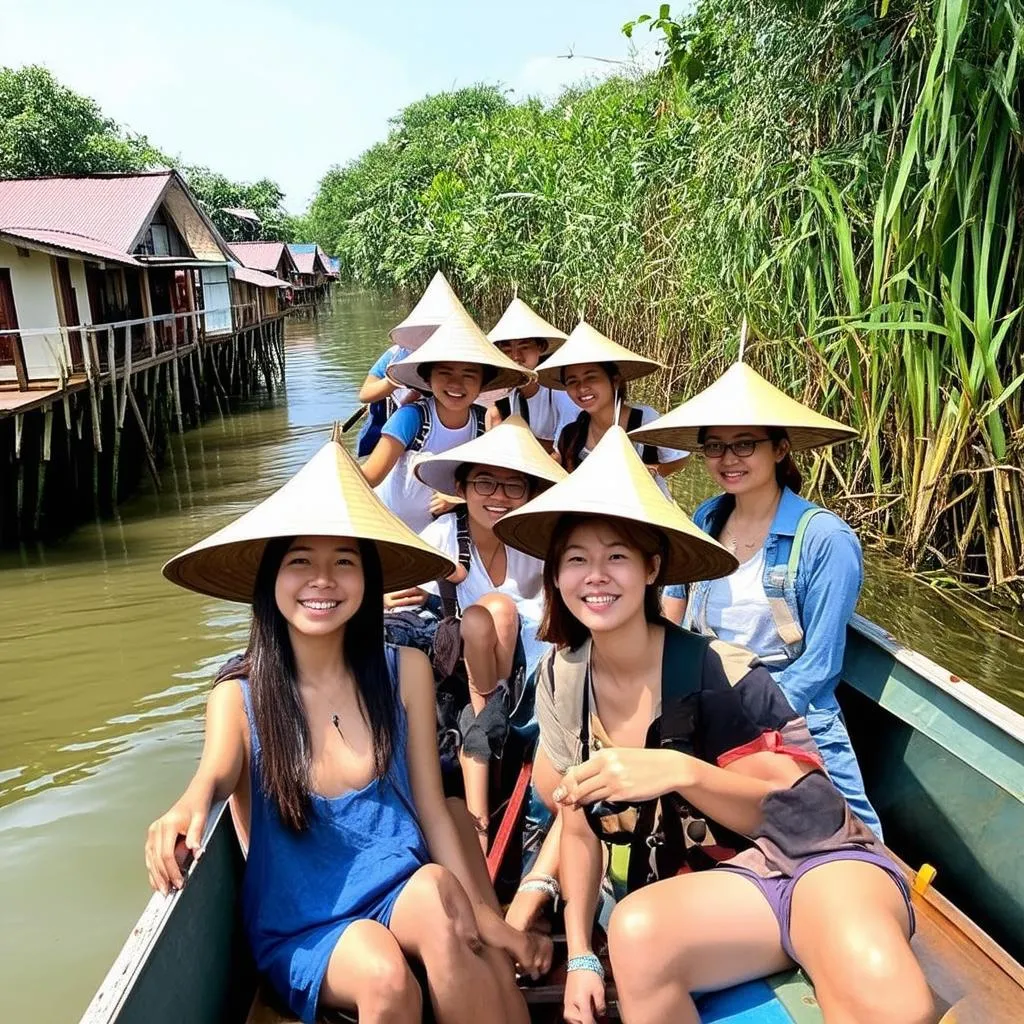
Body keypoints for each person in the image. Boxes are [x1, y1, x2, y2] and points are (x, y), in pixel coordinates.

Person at [493, 426, 932, 1024]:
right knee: (634, 929)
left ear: (651, 569)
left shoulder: (722, 673)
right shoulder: (563, 680)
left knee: (889, 1004)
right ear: (556, 576)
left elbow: (801, 815)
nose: (595, 575)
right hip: (724, 887)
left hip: (815, 864)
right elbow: (577, 827)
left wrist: (678, 771)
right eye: (576, 559)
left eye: (616, 556)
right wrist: (582, 960)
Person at [147, 433, 549, 1024]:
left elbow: (434, 811)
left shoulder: (403, 668)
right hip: (304, 919)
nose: (322, 580)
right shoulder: (241, 695)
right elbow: (214, 773)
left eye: (344, 562)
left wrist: (492, 926)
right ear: (271, 580)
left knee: (440, 892)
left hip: (398, 884)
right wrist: (185, 808)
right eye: (300, 561)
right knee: (386, 979)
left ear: (368, 580)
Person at [633, 359, 881, 835]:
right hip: (709, 694)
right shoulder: (706, 518)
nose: (729, 459)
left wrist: (747, 717)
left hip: (790, 709)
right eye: (715, 447)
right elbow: (679, 616)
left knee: (856, 836)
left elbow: (820, 665)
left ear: (780, 448)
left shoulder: (825, 539)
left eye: (745, 444)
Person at [383, 416, 565, 850]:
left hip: (537, 669)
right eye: (484, 484)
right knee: (491, 614)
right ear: (461, 490)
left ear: (529, 494)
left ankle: (496, 745)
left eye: (512, 487)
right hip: (471, 675)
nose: (498, 497)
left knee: (500, 611)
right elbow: (399, 592)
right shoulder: (445, 534)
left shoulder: (540, 541)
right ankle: (490, 737)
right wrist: (389, 594)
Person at [360, 305, 534, 533]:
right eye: (445, 373)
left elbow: (487, 483)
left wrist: (459, 499)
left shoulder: (482, 423)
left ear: (483, 384)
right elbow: (369, 478)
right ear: (428, 378)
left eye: (469, 375)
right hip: (393, 529)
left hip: (445, 534)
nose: (456, 384)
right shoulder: (410, 417)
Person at [537, 321, 688, 496]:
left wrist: (652, 471)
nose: (582, 388)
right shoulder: (571, 432)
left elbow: (679, 458)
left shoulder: (644, 419)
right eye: (572, 381)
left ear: (615, 380)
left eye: (591, 378)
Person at [356, 271, 467, 457]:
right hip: (400, 427)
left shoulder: (466, 360)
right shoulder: (397, 355)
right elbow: (366, 394)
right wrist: (397, 378)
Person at [484, 297, 578, 452]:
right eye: (507, 350)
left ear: (540, 348)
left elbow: (566, 449)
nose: (516, 357)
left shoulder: (560, 393)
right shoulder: (509, 401)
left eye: (524, 347)